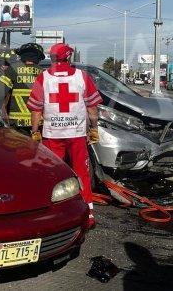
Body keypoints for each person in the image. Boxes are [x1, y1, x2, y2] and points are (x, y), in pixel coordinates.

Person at [27, 43, 103, 228]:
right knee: (82, 173)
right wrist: (94, 127)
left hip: (52, 135)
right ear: (69, 57)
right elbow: (92, 108)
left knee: (52, 175)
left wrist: (35, 131)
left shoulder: (43, 77)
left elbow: (36, 110)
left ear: (52, 58)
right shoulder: (82, 76)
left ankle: (50, 217)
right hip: (76, 134)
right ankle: (89, 215)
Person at [7, 43, 45, 134]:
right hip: (38, 122)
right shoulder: (43, 73)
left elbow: (2, 94)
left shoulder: (13, 69)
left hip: (16, 123)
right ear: (39, 58)